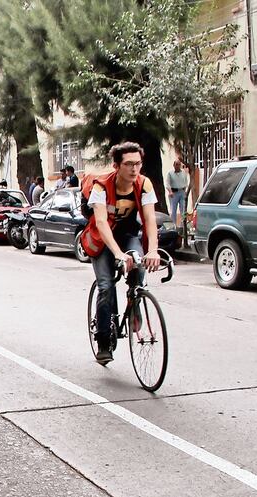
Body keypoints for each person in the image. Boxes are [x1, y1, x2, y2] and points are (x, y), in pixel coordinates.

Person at [88, 142, 160, 365]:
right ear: (116, 166)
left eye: (138, 163)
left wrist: (153, 250)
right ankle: (102, 342)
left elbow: (149, 219)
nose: (134, 169)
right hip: (102, 239)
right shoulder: (101, 186)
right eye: (128, 164)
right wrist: (118, 254)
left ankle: (135, 305)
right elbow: (100, 222)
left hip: (127, 234)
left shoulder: (144, 184)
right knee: (106, 287)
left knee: (138, 265)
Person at [165, 160, 191, 230]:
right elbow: (167, 184)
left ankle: (183, 226)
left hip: (182, 192)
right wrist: (170, 191)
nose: (177, 166)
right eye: (176, 164)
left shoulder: (183, 173)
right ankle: (173, 226)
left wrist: (185, 191)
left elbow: (186, 182)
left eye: (179, 164)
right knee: (173, 210)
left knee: (183, 209)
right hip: (174, 193)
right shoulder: (170, 173)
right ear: (174, 165)